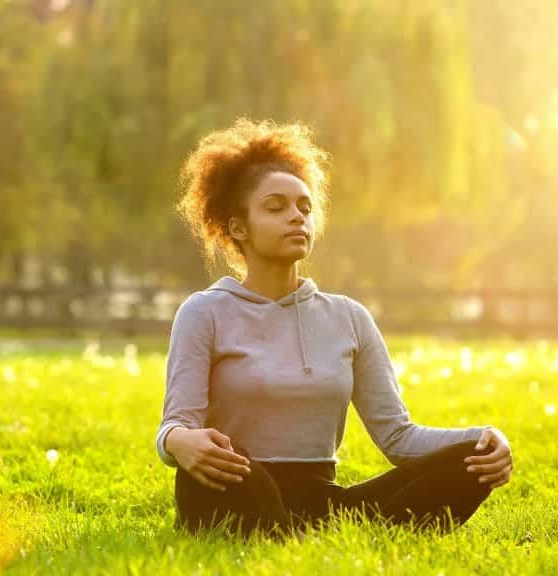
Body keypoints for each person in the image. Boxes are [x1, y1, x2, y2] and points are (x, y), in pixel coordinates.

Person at [156, 117, 514, 542]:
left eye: (304, 208)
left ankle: (292, 534)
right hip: (233, 484)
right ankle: (285, 532)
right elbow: (175, 426)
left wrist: (484, 439)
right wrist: (180, 443)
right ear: (238, 227)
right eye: (276, 207)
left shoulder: (348, 317)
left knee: (472, 462)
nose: (296, 217)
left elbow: (398, 437)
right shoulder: (204, 312)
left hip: (323, 502)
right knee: (227, 473)